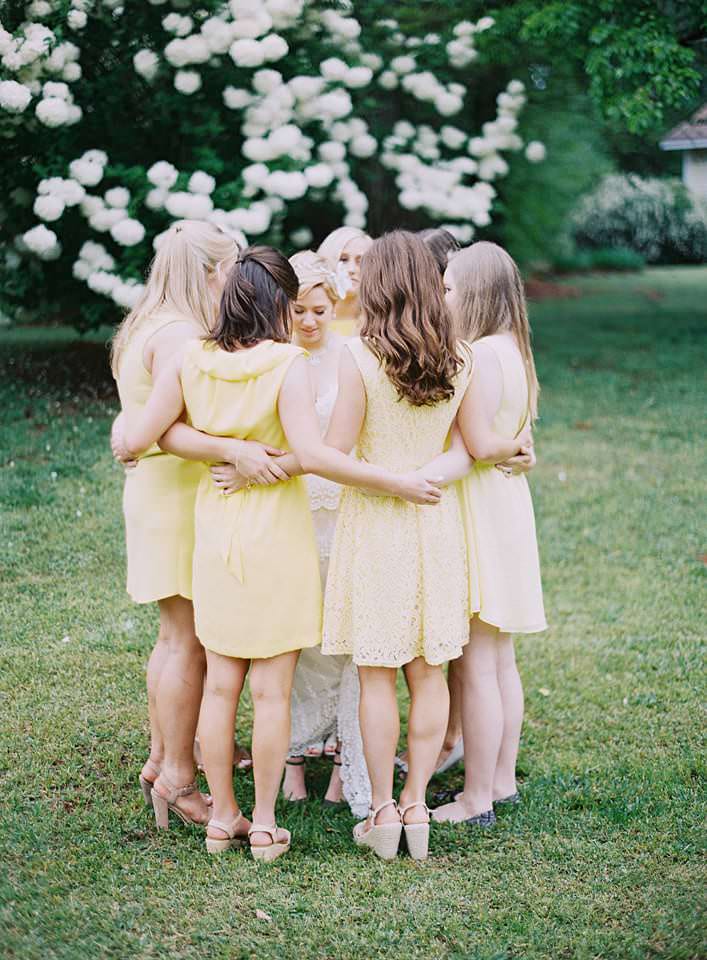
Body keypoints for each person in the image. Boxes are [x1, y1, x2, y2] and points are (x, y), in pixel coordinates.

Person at [115, 245, 443, 861]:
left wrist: (219, 449)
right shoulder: (287, 363)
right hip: (278, 535)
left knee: (221, 686)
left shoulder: (193, 357)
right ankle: (264, 823)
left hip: (217, 533)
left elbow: (146, 435)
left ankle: (223, 819)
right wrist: (395, 482)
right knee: (270, 691)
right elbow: (316, 456)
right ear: (277, 303)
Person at [321, 231, 530, 861]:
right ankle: (418, 803)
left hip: (377, 527)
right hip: (436, 526)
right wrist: (426, 480)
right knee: (429, 672)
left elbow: (330, 457)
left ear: (380, 286)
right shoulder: (460, 359)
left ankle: (383, 810)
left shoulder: (357, 359)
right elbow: (471, 448)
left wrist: (392, 482)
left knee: (377, 676)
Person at [110, 220, 273, 826]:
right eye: (230, 267)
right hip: (177, 495)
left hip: (157, 492)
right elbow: (162, 430)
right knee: (191, 644)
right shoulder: (180, 334)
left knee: (174, 637)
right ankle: (180, 776)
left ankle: (162, 759)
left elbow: (139, 421)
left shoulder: (144, 324)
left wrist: (128, 433)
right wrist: (235, 449)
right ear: (210, 272)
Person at [213, 250, 371, 814]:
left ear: (336, 308)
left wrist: (257, 465)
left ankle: (343, 761)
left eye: (319, 311)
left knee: (339, 640)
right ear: (282, 309)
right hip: (286, 513)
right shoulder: (274, 363)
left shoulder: (348, 359)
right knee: (293, 648)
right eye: (298, 309)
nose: (308, 321)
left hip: (334, 508)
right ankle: (295, 759)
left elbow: (332, 447)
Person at [423, 242, 547, 826]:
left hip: (477, 505)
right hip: (505, 504)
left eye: (448, 289)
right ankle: (499, 781)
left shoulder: (474, 356)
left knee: (476, 661)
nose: (442, 297)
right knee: (499, 659)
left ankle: (476, 797)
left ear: (473, 294)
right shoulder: (515, 352)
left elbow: (474, 445)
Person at [317, 226, 372, 336]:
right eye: (343, 260)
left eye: (361, 261)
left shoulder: (378, 326)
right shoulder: (307, 323)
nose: (351, 269)